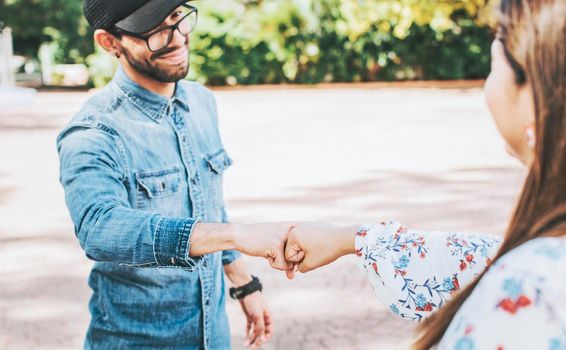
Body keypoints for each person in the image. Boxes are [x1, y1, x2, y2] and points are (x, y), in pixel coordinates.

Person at [284, 0, 566, 348]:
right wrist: (352, 240)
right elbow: (478, 259)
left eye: (493, 64)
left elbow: (505, 270)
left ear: (534, 92)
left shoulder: (529, 291)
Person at [57, 0, 292, 348]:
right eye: (153, 30)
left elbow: (209, 205)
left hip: (214, 336)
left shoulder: (202, 102)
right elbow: (99, 227)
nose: (177, 38)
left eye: (177, 18)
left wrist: (244, 283)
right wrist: (232, 235)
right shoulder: (92, 133)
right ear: (110, 43)